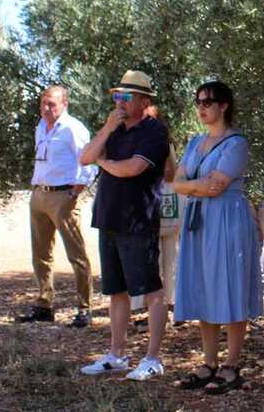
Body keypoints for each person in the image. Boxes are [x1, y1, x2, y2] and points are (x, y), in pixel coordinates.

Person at [78, 70, 170, 381]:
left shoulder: (154, 131)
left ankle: (153, 357)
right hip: (109, 218)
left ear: (145, 101)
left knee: (151, 291)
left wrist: (104, 163)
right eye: (117, 96)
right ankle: (117, 354)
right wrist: (106, 128)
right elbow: (85, 157)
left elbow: (132, 169)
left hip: (138, 221)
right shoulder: (114, 130)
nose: (120, 101)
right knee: (116, 291)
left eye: (127, 96)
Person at [172, 80, 261, 394]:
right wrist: (196, 186)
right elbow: (177, 182)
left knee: (231, 285)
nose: (201, 108)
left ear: (224, 105)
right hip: (199, 221)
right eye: (198, 102)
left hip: (227, 220)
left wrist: (190, 186)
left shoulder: (237, 143)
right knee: (202, 285)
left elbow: (218, 185)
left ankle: (232, 365)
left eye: (207, 102)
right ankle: (208, 362)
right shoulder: (195, 142)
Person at [16, 85, 97, 328]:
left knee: (76, 254)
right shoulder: (40, 127)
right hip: (39, 194)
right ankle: (44, 304)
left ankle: (85, 308)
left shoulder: (73, 128)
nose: (46, 108)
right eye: (43, 103)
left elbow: (90, 163)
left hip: (63, 196)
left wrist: (75, 193)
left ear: (64, 104)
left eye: (52, 104)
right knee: (41, 254)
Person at [130, 105, 180, 331]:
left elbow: (171, 172)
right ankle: (148, 311)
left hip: (163, 202)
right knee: (150, 259)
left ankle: (168, 308)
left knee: (168, 258)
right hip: (147, 205)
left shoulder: (163, 142)